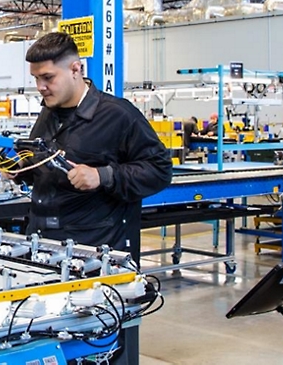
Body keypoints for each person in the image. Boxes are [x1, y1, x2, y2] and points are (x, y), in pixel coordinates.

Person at [10, 32, 172, 261]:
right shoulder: (47, 113)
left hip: (95, 251)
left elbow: (160, 170)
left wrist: (103, 175)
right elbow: (47, 164)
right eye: (36, 78)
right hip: (43, 242)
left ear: (75, 69)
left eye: (48, 77)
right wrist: (21, 169)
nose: (40, 87)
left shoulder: (118, 115)